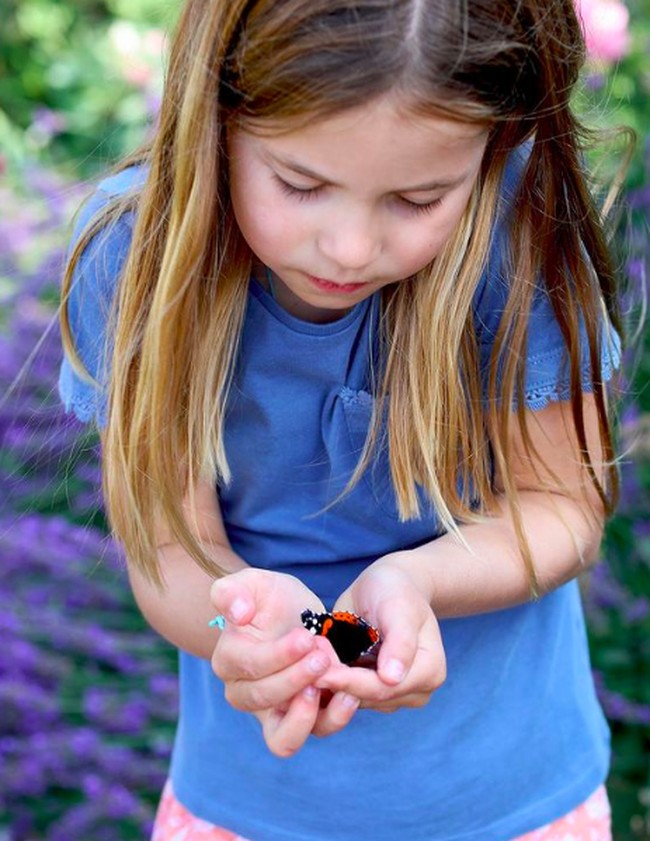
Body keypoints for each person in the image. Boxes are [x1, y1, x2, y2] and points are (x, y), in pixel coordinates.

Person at [58, 1, 625, 839]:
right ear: (214, 118)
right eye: (301, 184)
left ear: (493, 149)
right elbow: (168, 552)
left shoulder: (516, 229)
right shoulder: (136, 256)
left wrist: (420, 578)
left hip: (515, 803)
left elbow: (563, 508)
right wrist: (238, 623)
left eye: (420, 198)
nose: (351, 249)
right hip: (249, 809)